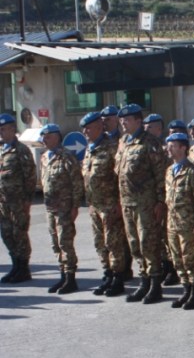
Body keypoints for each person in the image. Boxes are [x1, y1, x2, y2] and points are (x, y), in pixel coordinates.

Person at [115, 103, 168, 304]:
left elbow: (160, 174)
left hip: (146, 203)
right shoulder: (123, 142)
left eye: (127, 119)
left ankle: (155, 284)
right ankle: (143, 281)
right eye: (121, 120)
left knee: (148, 243)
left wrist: (160, 202)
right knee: (134, 244)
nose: (123, 123)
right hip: (128, 202)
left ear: (138, 121)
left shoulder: (149, 142)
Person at [80, 111, 125, 296]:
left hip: (110, 204)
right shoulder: (90, 148)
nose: (85, 132)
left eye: (88, 128)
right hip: (95, 205)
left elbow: (120, 177)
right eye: (83, 128)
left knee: (113, 243)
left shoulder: (112, 147)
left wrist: (119, 202)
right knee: (100, 243)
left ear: (99, 126)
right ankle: (107, 274)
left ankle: (118, 278)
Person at [38, 124, 85, 294]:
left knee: (65, 242)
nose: (44, 139)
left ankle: (71, 278)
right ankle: (62, 275)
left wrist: (75, 206)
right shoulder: (44, 157)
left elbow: (77, 183)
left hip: (65, 208)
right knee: (55, 243)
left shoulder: (66, 157)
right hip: (50, 208)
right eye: (43, 136)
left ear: (57, 137)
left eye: (48, 136)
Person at [164, 132, 194, 310]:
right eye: (168, 146)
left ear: (182, 148)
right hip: (173, 223)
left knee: (191, 259)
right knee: (177, 259)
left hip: (189, 225)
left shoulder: (192, 171)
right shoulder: (169, 170)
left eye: (172, 146)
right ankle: (186, 290)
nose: (169, 149)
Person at [0, 113, 36, 283]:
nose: (1, 133)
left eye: (4, 129)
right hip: (3, 202)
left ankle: (23, 268)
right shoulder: (1, 149)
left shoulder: (21, 150)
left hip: (18, 201)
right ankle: (15, 266)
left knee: (19, 234)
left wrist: (28, 200)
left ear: (13, 129)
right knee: (7, 234)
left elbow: (30, 176)